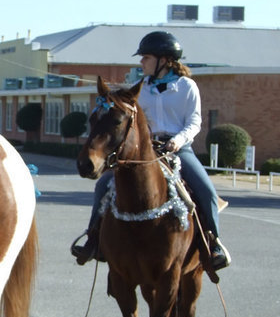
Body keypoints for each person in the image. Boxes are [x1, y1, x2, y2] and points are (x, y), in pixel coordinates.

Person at [71, 31, 231, 270]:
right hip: (145, 149)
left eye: (146, 57)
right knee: (102, 186)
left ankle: (213, 244)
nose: (141, 62)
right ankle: (93, 239)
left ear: (164, 60)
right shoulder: (140, 89)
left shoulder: (187, 86)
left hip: (178, 148)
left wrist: (178, 140)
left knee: (205, 190)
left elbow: (195, 121)